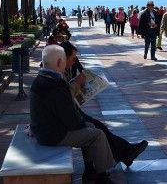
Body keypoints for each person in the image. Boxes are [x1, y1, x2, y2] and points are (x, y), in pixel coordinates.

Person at [29, 45, 116, 184]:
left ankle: (89, 171)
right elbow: (72, 121)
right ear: (59, 63)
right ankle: (102, 177)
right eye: (65, 60)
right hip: (53, 135)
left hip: (45, 130)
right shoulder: (55, 85)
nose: (68, 63)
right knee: (97, 135)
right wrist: (81, 122)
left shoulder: (40, 79)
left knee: (90, 126)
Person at [60, 42, 149, 170]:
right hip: (65, 121)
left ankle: (126, 152)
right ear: (62, 58)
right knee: (97, 128)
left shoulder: (60, 71)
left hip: (70, 113)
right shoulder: (55, 75)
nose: (74, 62)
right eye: (73, 59)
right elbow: (63, 95)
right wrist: (76, 85)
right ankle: (120, 157)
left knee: (99, 127)